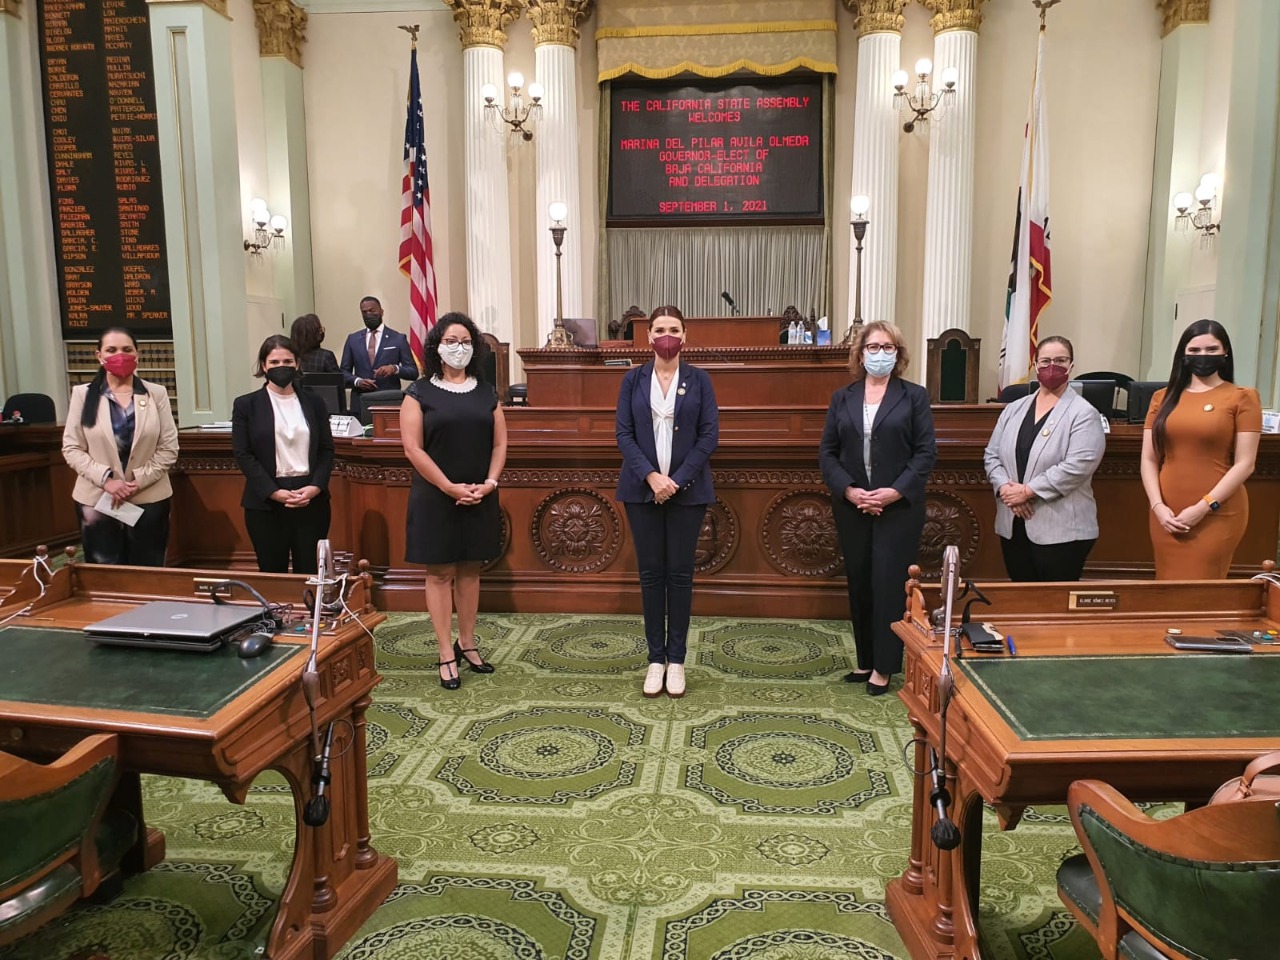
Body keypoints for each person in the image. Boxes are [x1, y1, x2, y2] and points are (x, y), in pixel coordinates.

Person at [819, 321, 935, 696]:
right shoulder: (843, 397)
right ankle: (866, 659)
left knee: (888, 584)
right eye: (873, 347)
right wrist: (850, 491)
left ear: (898, 354)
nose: (880, 353)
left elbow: (925, 453)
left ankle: (885, 666)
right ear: (860, 352)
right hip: (853, 507)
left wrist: (894, 492)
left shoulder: (913, 396)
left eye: (888, 347)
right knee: (861, 582)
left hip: (897, 509)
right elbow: (828, 453)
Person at [615, 306, 719, 699]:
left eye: (674, 329)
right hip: (641, 490)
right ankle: (654, 659)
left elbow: (709, 436)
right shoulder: (632, 380)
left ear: (685, 336)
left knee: (679, 576)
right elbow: (623, 434)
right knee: (650, 576)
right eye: (659, 330)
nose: (667, 336)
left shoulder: (700, 380)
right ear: (648, 337)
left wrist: (675, 480)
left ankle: (677, 660)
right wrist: (652, 476)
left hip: (687, 492)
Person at [401, 313, 507, 691]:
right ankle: (446, 651)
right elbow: (413, 448)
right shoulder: (419, 392)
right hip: (436, 496)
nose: (458, 347)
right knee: (440, 573)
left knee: (470, 570)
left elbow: (499, 442)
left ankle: (468, 642)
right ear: (436, 346)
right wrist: (449, 487)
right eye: (451, 340)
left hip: (479, 495)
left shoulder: (486, 391)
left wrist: (490, 483)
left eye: (465, 341)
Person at [1141, 319, 1261, 579]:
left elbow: (1245, 463)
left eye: (1211, 350)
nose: (1203, 356)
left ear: (1225, 353)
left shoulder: (1243, 396)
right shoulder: (1162, 397)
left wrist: (1204, 507)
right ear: (1183, 354)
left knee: (1202, 592)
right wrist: (1157, 506)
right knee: (1167, 587)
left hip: (1216, 511)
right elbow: (1149, 459)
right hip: (1166, 512)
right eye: (1194, 350)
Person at [983, 336, 1106, 581]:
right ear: (1036, 365)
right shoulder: (1014, 409)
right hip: (1013, 523)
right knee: (1022, 603)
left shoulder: (1083, 413)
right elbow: (992, 455)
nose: (1053, 367)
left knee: (1053, 607)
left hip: (1062, 531)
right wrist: (1007, 490)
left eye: (1061, 361)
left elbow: (1077, 466)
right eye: (1046, 361)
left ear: (1071, 366)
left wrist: (1027, 492)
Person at [61, 326, 178, 566]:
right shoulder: (83, 395)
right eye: (111, 350)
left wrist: (136, 482)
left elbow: (168, 448)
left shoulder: (155, 394)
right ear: (99, 356)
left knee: (149, 570)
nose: (120, 355)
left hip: (148, 496)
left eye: (127, 349)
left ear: (137, 354)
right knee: (106, 573)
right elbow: (72, 448)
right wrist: (107, 481)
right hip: (97, 499)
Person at [232, 335, 334, 574]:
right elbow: (243, 453)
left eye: (288, 362)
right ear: (264, 366)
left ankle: (309, 613)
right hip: (267, 502)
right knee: (272, 572)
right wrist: (273, 492)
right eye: (275, 362)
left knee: (309, 573)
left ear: (297, 364)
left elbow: (326, 449)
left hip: (310, 499)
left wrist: (316, 486)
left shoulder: (314, 402)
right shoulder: (246, 405)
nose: (281, 367)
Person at [339, 296, 418, 414]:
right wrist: (357, 381)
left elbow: (413, 372)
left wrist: (395, 369)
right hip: (360, 403)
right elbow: (343, 373)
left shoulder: (398, 339)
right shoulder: (352, 339)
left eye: (372, 310)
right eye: (364, 312)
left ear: (381, 312)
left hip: (388, 402)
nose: (368, 314)